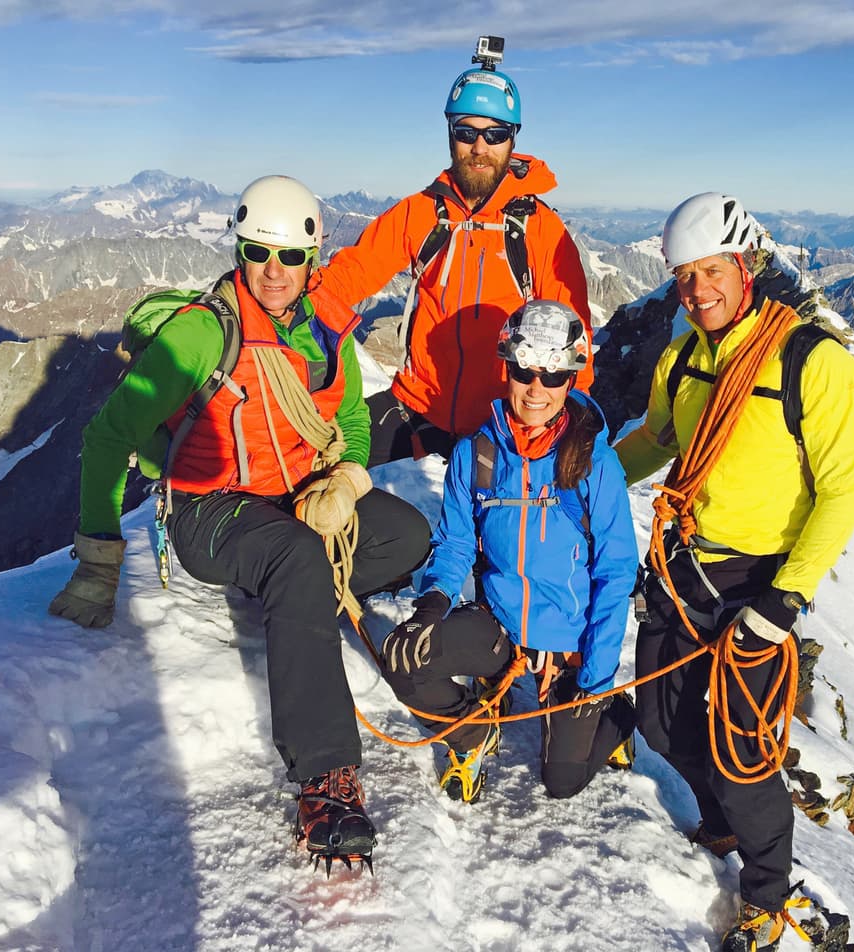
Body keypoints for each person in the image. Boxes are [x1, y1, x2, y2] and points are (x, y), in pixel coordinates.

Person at [48, 175, 432, 871]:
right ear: (239, 249)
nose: (273, 272)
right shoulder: (201, 334)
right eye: (258, 253)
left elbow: (346, 417)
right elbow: (109, 436)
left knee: (403, 535)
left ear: (314, 260)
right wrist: (98, 559)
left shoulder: (326, 327)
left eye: (289, 257)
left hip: (295, 496)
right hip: (209, 511)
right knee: (296, 559)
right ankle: (325, 782)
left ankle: (296, 601)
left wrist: (346, 479)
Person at [614, 193, 854, 952]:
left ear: (747, 264)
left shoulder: (811, 360)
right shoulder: (684, 353)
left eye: (712, 271)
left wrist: (785, 601)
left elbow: (843, 492)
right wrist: (582, 471)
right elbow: (659, 439)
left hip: (758, 584)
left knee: (741, 753)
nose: (698, 291)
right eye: (685, 276)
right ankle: (722, 830)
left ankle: (766, 893)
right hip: (684, 567)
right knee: (662, 720)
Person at [379, 299, 638, 803]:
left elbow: (615, 572)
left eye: (554, 375)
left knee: (561, 784)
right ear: (507, 368)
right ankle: (473, 731)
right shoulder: (476, 454)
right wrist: (433, 602)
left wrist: (595, 678)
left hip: (569, 645)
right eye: (524, 371)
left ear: (572, 379)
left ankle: (617, 715)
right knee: (405, 658)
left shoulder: (594, 464)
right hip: (498, 627)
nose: (537, 389)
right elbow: (455, 542)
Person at [318, 39, 591, 466]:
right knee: (318, 457)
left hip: (502, 419)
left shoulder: (540, 228)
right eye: (467, 132)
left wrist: (573, 418)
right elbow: (348, 276)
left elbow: (574, 333)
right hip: (419, 404)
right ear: (451, 134)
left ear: (512, 139)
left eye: (495, 134)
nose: (479, 147)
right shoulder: (421, 213)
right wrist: (275, 311)